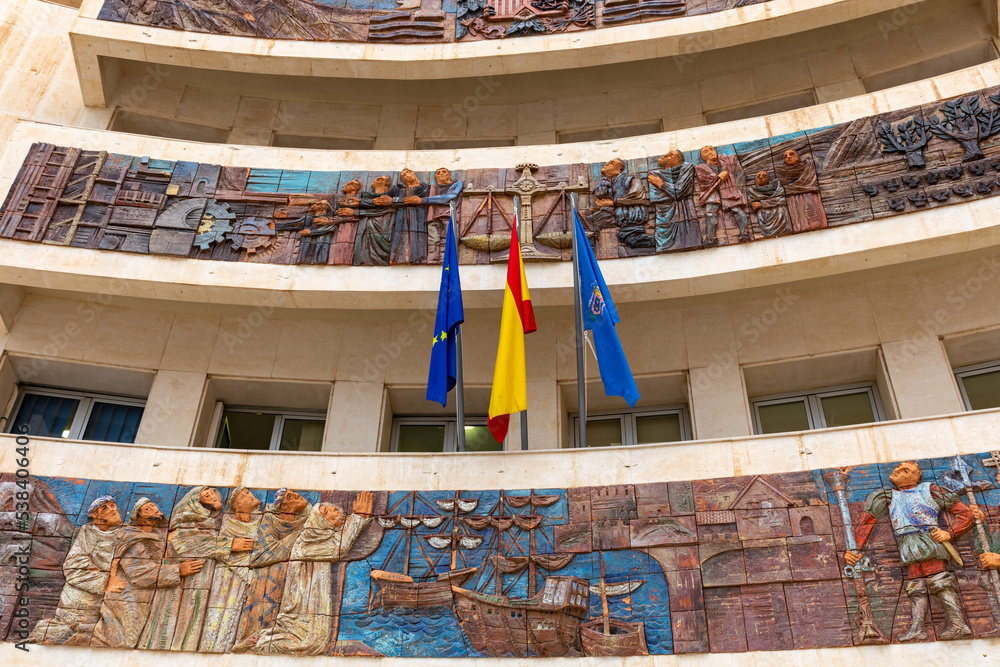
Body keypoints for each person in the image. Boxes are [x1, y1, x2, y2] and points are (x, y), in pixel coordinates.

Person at [844, 461, 974, 641]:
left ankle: (959, 624)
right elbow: (867, 522)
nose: (896, 470)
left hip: (928, 541)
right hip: (906, 544)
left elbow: (966, 514)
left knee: (939, 581)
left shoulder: (930, 490)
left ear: (912, 474)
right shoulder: (886, 496)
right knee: (915, 586)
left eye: (903, 469)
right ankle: (918, 628)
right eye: (897, 468)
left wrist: (949, 533)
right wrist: (854, 549)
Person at [246, 493, 374, 654]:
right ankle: (260, 643)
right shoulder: (306, 540)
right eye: (332, 510)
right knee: (310, 643)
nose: (339, 513)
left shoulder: (322, 536)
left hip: (313, 605)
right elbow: (338, 548)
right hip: (301, 611)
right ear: (321, 517)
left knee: (317, 641)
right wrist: (358, 518)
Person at [92, 498, 204, 649]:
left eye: (154, 506)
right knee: (121, 643)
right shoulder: (130, 537)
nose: (153, 509)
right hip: (127, 600)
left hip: (150, 600)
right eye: (147, 509)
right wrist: (178, 570)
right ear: (138, 518)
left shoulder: (158, 535)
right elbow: (139, 573)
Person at [139, 487, 225, 651]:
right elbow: (186, 543)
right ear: (194, 503)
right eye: (206, 495)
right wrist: (230, 545)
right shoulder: (184, 521)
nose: (212, 496)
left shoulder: (215, 520)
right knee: (174, 623)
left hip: (204, 579)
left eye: (213, 493)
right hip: (181, 583)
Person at [28, 496, 121, 645]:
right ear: (95, 516)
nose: (113, 509)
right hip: (80, 605)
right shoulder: (88, 534)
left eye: (112, 505)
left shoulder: (125, 533)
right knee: (65, 633)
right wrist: (107, 583)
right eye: (105, 508)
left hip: (111, 602)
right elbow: (73, 568)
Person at [232, 488, 311, 651]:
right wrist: (297, 537)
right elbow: (261, 553)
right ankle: (251, 638)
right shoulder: (269, 520)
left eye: (295, 493)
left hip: (292, 576)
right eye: (290, 496)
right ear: (284, 506)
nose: (297, 495)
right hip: (266, 576)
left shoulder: (306, 522)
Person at [199, 487, 260, 653]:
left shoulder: (263, 521)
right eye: (245, 494)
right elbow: (209, 546)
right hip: (227, 574)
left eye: (249, 492)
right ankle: (214, 646)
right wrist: (231, 548)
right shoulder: (225, 523)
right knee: (220, 612)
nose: (250, 495)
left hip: (253, 575)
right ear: (237, 505)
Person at [592, 158, 654, 250]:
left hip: (631, 215)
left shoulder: (629, 180)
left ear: (619, 168)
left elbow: (638, 197)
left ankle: (657, 241)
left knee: (632, 239)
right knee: (588, 221)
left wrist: (613, 202)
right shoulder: (605, 182)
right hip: (615, 215)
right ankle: (587, 249)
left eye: (612, 163)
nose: (607, 163)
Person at [694, 145, 751, 245]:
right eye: (706, 152)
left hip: (728, 189)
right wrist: (717, 177)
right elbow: (703, 181)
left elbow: (739, 174)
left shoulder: (727, 161)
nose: (710, 152)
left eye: (711, 149)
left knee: (736, 209)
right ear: (703, 158)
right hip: (712, 192)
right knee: (710, 213)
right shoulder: (701, 168)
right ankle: (711, 238)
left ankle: (744, 233)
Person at [648, 150, 701, 252]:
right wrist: (672, 191)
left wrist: (661, 184)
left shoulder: (686, 168)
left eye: (671, 155)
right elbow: (657, 197)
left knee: (688, 238)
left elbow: (679, 191)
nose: (664, 155)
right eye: (666, 154)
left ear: (679, 160)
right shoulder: (653, 174)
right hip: (663, 215)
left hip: (685, 212)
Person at [775, 149, 828, 232]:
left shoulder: (809, 167)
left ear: (797, 156)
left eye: (791, 154)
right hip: (793, 201)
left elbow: (811, 182)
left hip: (811, 196)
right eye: (786, 156)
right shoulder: (781, 173)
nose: (788, 157)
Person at [347, 176, 396, 266]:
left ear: (382, 182)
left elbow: (386, 209)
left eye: (380, 179)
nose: (375, 180)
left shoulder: (389, 198)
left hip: (384, 224)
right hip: (366, 225)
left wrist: (356, 212)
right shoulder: (365, 196)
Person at [425, 168, 465, 263]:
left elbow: (450, 197)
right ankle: (432, 259)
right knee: (433, 240)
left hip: (449, 215)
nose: (441, 174)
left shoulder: (457, 184)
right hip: (433, 216)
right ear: (435, 177)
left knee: (451, 238)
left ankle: (451, 260)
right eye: (438, 173)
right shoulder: (433, 187)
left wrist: (424, 200)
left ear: (449, 174)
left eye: (444, 172)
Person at [748, 171, 791, 237]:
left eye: (764, 176)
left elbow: (781, 199)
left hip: (780, 216)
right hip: (764, 218)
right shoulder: (752, 191)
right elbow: (752, 204)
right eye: (758, 176)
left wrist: (762, 204)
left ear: (769, 178)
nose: (761, 177)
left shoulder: (777, 187)